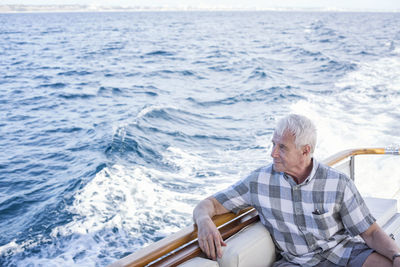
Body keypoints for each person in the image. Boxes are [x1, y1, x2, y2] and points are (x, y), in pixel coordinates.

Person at [193, 114, 400, 266]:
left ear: (305, 151)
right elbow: (210, 204)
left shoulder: (337, 183)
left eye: (282, 147)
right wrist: (204, 221)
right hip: (295, 263)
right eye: (273, 144)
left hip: (343, 253)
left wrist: (396, 257)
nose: (272, 153)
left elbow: (371, 233)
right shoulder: (259, 182)